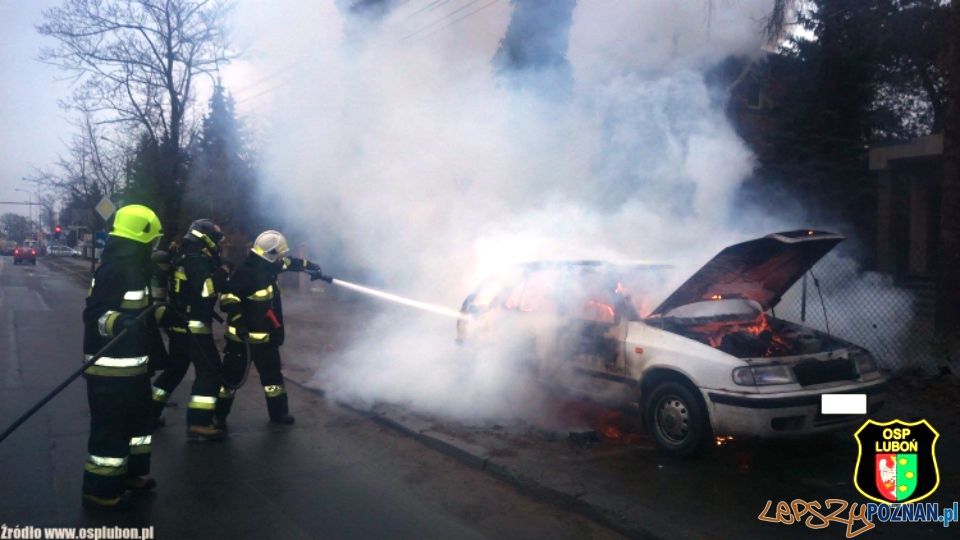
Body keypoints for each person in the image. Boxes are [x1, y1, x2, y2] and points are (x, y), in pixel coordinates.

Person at [81, 205, 166, 511]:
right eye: (152, 239)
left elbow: (141, 310)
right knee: (112, 430)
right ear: (140, 238)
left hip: (134, 367)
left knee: (137, 425)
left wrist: (165, 315)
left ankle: (129, 475)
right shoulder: (114, 269)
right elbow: (94, 315)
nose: (154, 244)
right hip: (110, 371)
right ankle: (101, 491)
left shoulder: (135, 268)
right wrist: (119, 322)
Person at [215, 231, 322, 426]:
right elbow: (228, 298)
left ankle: (279, 414)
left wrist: (311, 267)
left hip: (267, 339)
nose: (281, 257)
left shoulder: (269, 266)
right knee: (230, 381)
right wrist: (239, 322)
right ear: (270, 253)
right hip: (242, 342)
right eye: (279, 253)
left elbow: (289, 263)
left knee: (273, 381)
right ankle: (218, 417)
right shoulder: (246, 273)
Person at [150, 219, 230, 441]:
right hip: (193, 326)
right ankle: (199, 423)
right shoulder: (197, 259)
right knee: (210, 372)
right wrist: (223, 272)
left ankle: (149, 413)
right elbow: (205, 289)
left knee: (175, 369)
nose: (218, 244)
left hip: (177, 323)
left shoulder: (183, 255)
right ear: (206, 239)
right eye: (216, 240)